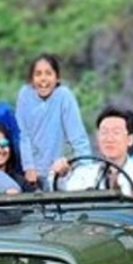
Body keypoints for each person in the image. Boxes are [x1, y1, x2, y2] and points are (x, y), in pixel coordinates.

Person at [61, 106, 133, 220]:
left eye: (116, 132)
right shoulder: (82, 174)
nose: (109, 139)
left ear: (130, 140)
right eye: (104, 132)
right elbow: (70, 211)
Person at [15, 53, 91, 187]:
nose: (43, 79)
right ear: (32, 79)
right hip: (33, 170)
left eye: (48, 73)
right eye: (38, 74)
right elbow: (23, 134)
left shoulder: (64, 96)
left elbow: (78, 136)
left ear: (57, 77)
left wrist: (87, 170)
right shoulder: (25, 94)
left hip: (59, 168)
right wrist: (29, 167)